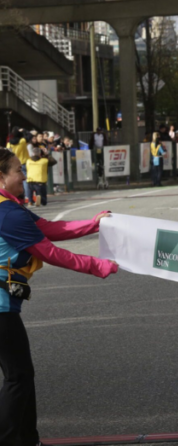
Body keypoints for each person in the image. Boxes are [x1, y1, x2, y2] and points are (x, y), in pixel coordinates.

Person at [0, 148, 117, 446]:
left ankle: (27, 439)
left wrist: (94, 223)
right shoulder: (7, 213)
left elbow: (50, 229)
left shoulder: (9, 206)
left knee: (21, 375)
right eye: (17, 170)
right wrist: (97, 265)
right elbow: (50, 253)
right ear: (1, 176)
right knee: (18, 376)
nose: (24, 175)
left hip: (5, 304)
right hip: (0, 307)